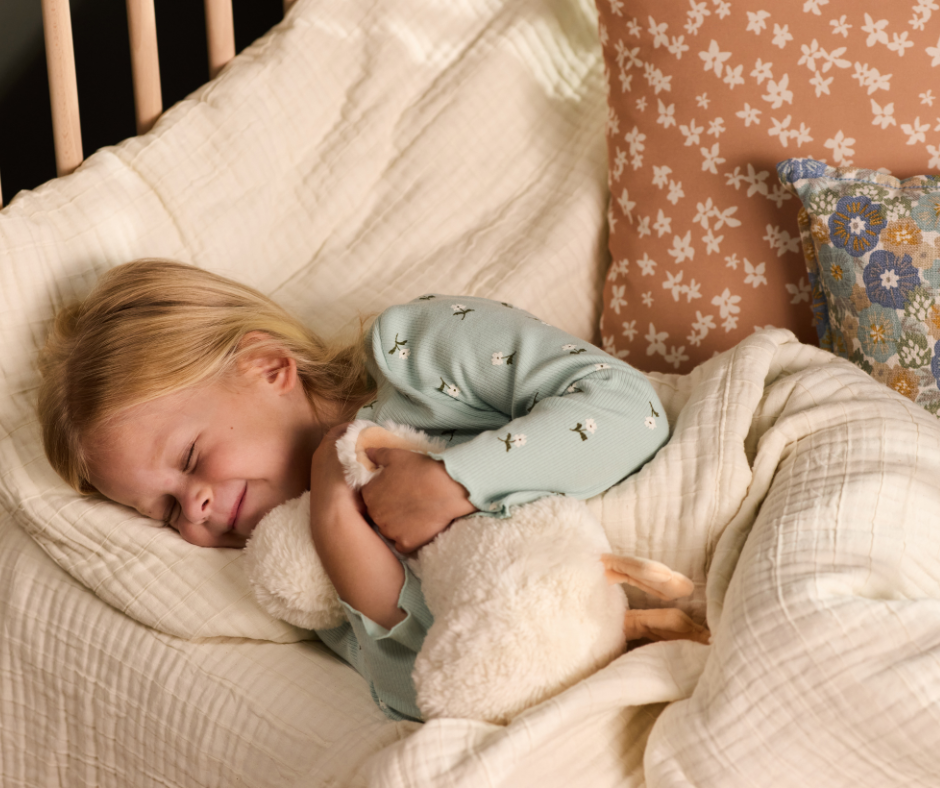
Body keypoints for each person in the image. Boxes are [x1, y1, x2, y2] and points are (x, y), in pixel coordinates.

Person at [38, 259, 670, 721]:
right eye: (167, 509)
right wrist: (342, 542)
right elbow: (433, 689)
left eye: (190, 457)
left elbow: (628, 410)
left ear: (268, 368)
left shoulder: (419, 354)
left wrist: (459, 483)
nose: (195, 505)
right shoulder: (298, 561)